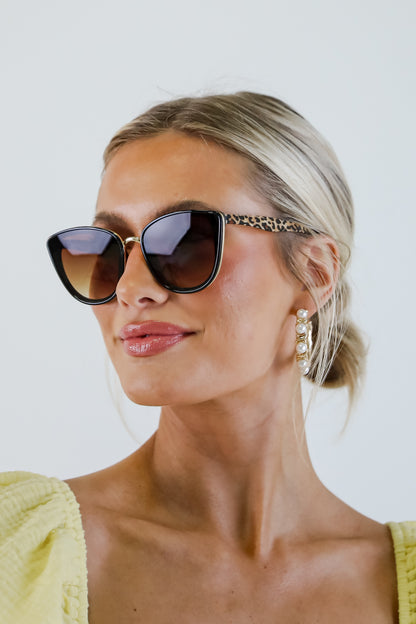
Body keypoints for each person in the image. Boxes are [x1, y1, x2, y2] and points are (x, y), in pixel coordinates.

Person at [0, 92, 414, 624]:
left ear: (313, 273)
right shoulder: (20, 552)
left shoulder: (398, 585)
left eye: (184, 241)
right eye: (108, 249)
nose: (130, 288)